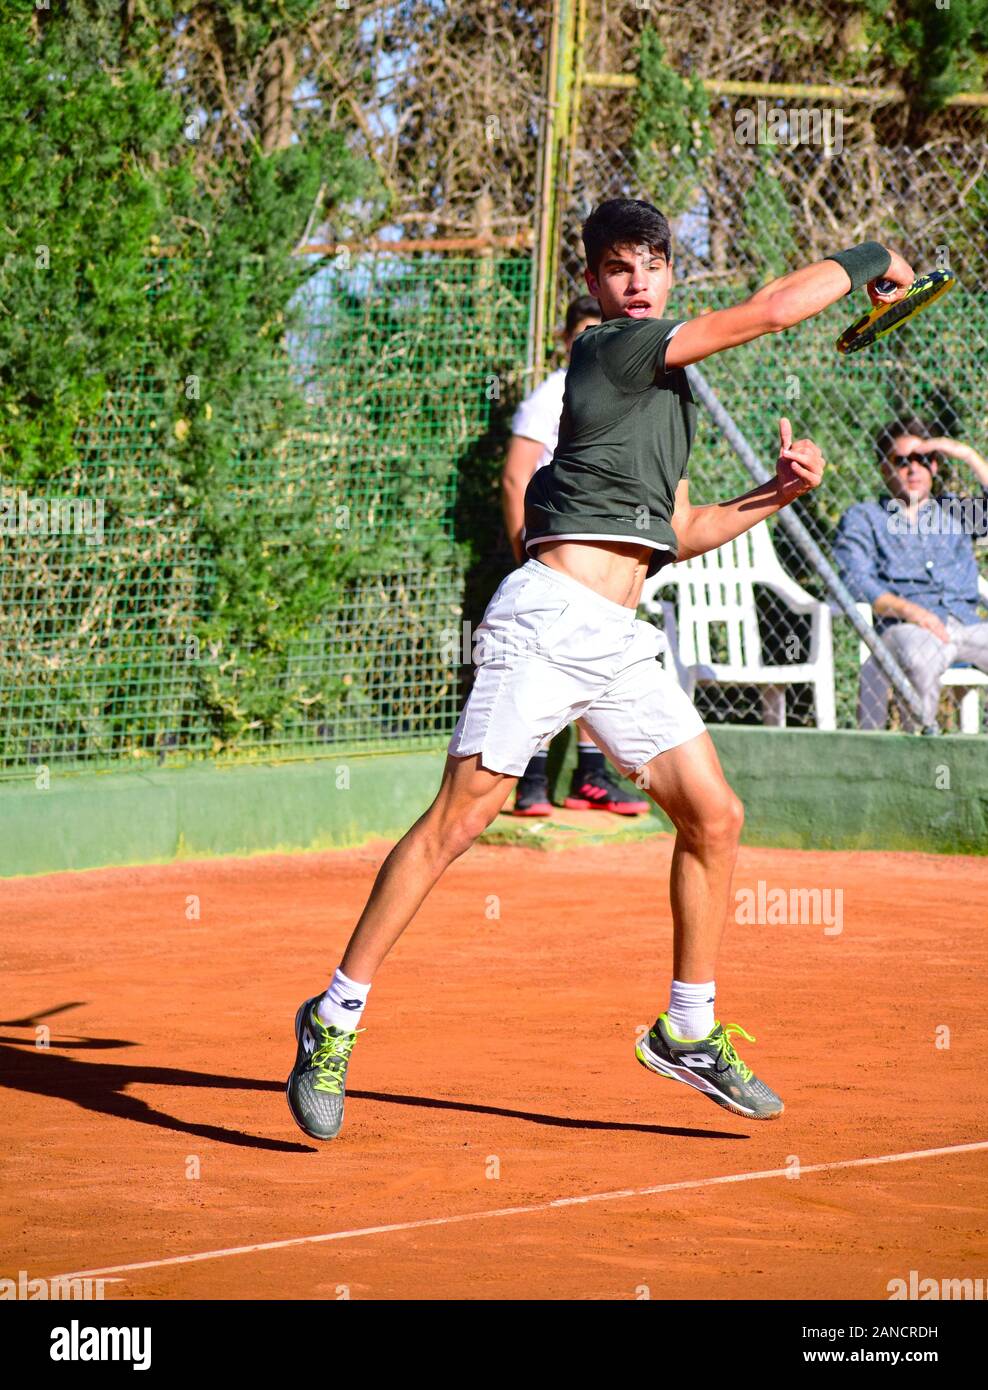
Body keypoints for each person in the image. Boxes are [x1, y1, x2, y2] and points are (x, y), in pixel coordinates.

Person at [288, 197, 913, 1141]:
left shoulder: (669, 400)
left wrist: (776, 493)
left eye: (653, 266)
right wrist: (874, 256)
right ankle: (332, 1017)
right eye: (619, 267)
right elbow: (776, 311)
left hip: (620, 639)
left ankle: (689, 1029)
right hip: (546, 621)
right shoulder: (614, 349)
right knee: (461, 820)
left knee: (715, 815)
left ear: (670, 272)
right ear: (593, 283)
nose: (638, 282)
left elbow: (682, 532)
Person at [501, 294, 650, 816]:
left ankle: (590, 777)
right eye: (581, 331)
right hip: (550, 558)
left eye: (599, 329)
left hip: (599, 560)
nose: (590, 339)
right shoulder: (549, 396)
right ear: (565, 339)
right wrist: (525, 548)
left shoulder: (613, 392)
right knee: (538, 670)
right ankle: (531, 782)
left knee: (596, 664)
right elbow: (517, 473)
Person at [833, 418, 988, 731]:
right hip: (904, 627)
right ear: (884, 468)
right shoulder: (865, 518)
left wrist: (967, 455)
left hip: (966, 622)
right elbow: (856, 580)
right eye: (902, 461)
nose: (913, 469)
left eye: (923, 459)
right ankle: (920, 753)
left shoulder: (954, 511)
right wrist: (911, 611)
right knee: (921, 659)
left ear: (935, 466)